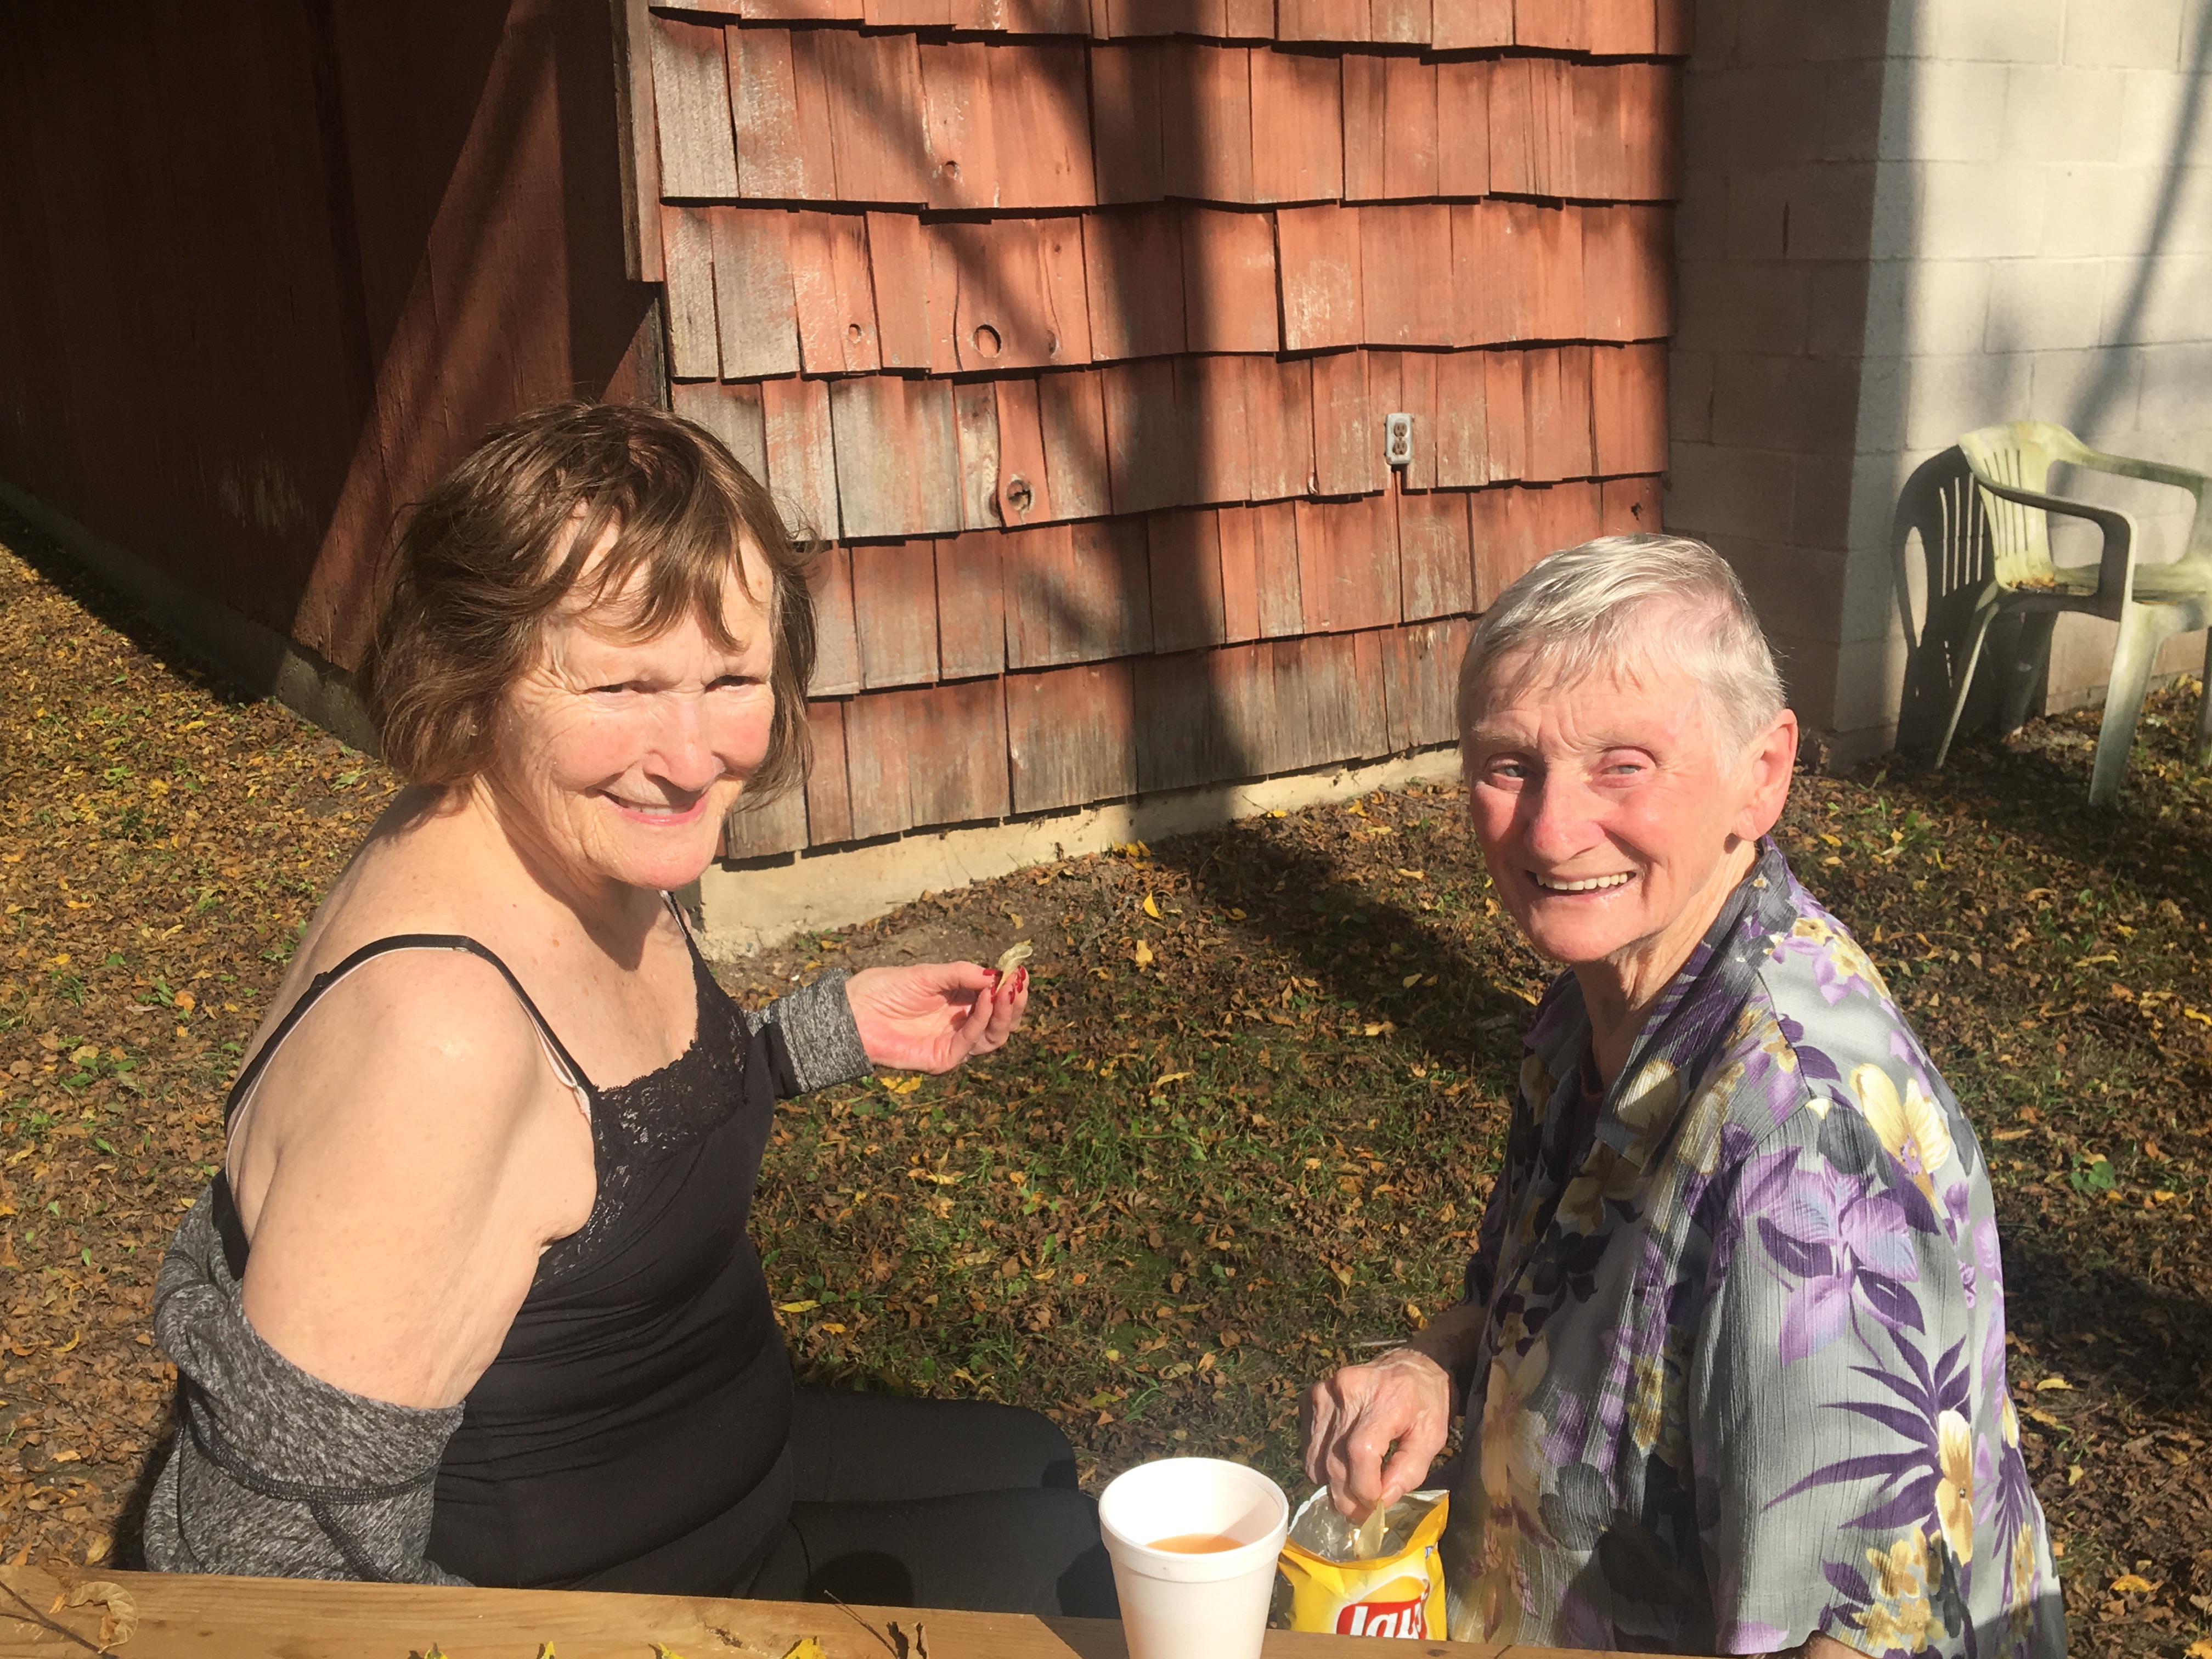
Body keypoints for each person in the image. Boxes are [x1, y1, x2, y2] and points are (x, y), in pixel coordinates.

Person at [146, 402, 1114, 1616]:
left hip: (729, 1447)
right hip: (630, 1597)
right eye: (622, 684)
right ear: (477, 668)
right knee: (1094, 1578)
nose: (693, 753)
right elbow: (259, 1589)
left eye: (731, 679)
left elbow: (602, 1147)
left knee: (1041, 1462)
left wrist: (820, 1035)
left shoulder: (568, 841)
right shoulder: (436, 1041)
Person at [1300, 535, 2063, 1658]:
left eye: (1624, 764)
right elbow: (1544, 1306)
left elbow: (1853, 1639)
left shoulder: (1805, 1166)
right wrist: (1440, 1365)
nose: (1553, 832)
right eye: (1510, 764)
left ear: (1762, 774)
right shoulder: (1600, 1004)